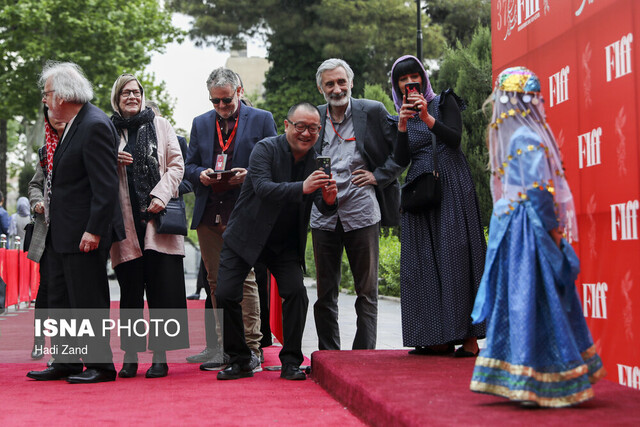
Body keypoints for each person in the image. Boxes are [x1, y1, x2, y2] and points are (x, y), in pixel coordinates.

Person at [469, 66, 605, 407]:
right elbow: (540, 193)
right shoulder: (528, 137)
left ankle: (520, 374)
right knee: (539, 297)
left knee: (520, 298)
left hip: (513, 230)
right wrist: (556, 235)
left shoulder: (510, 137)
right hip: (530, 231)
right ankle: (542, 375)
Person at [215, 102, 337, 380]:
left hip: (283, 244)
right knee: (225, 293)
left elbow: (323, 202)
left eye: (314, 128)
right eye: (301, 126)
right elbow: (262, 188)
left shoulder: (317, 160)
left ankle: (291, 361)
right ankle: (239, 359)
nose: (307, 133)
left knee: (296, 293)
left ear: (320, 130)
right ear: (287, 125)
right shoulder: (265, 149)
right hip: (246, 236)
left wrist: (330, 201)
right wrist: (302, 187)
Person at [27, 61, 123, 384]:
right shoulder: (70, 125)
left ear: (64, 94)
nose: (45, 99)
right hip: (60, 232)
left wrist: (95, 229)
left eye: (47, 93)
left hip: (84, 233)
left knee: (87, 299)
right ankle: (66, 360)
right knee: (61, 299)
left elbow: (105, 186)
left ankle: (100, 364)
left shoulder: (93, 124)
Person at [391, 55, 486, 356]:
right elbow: (401, 159)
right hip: (420, 188)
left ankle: (470, 339)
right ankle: (437, 337)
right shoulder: (401, 116)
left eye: (413, 77)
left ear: (423, 78)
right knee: (423, 263)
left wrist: (427, 118)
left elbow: (455, 139)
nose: (409, 83)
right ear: (397, 87)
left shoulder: (443, 102)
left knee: (456, 255)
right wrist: (404, 125)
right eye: (402, 80)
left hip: (451, 183)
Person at [185, 67, 277, 370]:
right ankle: (224, 347)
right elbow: (189, 166)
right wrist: (202, 174)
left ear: (238, 91)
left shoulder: (262, 119)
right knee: (214, 281)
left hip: (245, 211)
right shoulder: (200, 123)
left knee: (245, 279)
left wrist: (251, 176)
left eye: (226, 100)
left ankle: (252, 348)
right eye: (215, 102)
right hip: (209, 210)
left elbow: (275, 162)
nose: (221, 107)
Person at [311, 58, 403, 351]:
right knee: (326, 292)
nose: (336, 88)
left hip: (362, 210)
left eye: (341, 82)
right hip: (323, 214)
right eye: (330, 84)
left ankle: (364, 356)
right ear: (320, 88)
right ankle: (329, 355)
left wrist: (378, 176)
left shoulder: (372, 111)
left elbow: (401, 151)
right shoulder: (315, 117)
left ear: (351, 82)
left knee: (367, 290)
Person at [108, 74, 189, 379]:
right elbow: (93, 165)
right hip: (125, 223)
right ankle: (130, 356)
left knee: (161, 290)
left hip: (157, 218)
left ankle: (160, 356)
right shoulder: (107, 130)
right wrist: (109, 157)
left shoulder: (160, 124)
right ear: (117, 97)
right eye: (126, 92)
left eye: (136, 92)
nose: (132, 96)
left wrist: (160, 196)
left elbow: (176, 165)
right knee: (130, 293)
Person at [26, 108, 66, 361]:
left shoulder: (83, 141)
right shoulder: (45, 151)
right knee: (46, 290)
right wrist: (37, 201)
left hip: (73, 228)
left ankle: (68, 348)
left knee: (70, 292)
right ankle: (40, 341)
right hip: (49, 230)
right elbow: (34, 184)